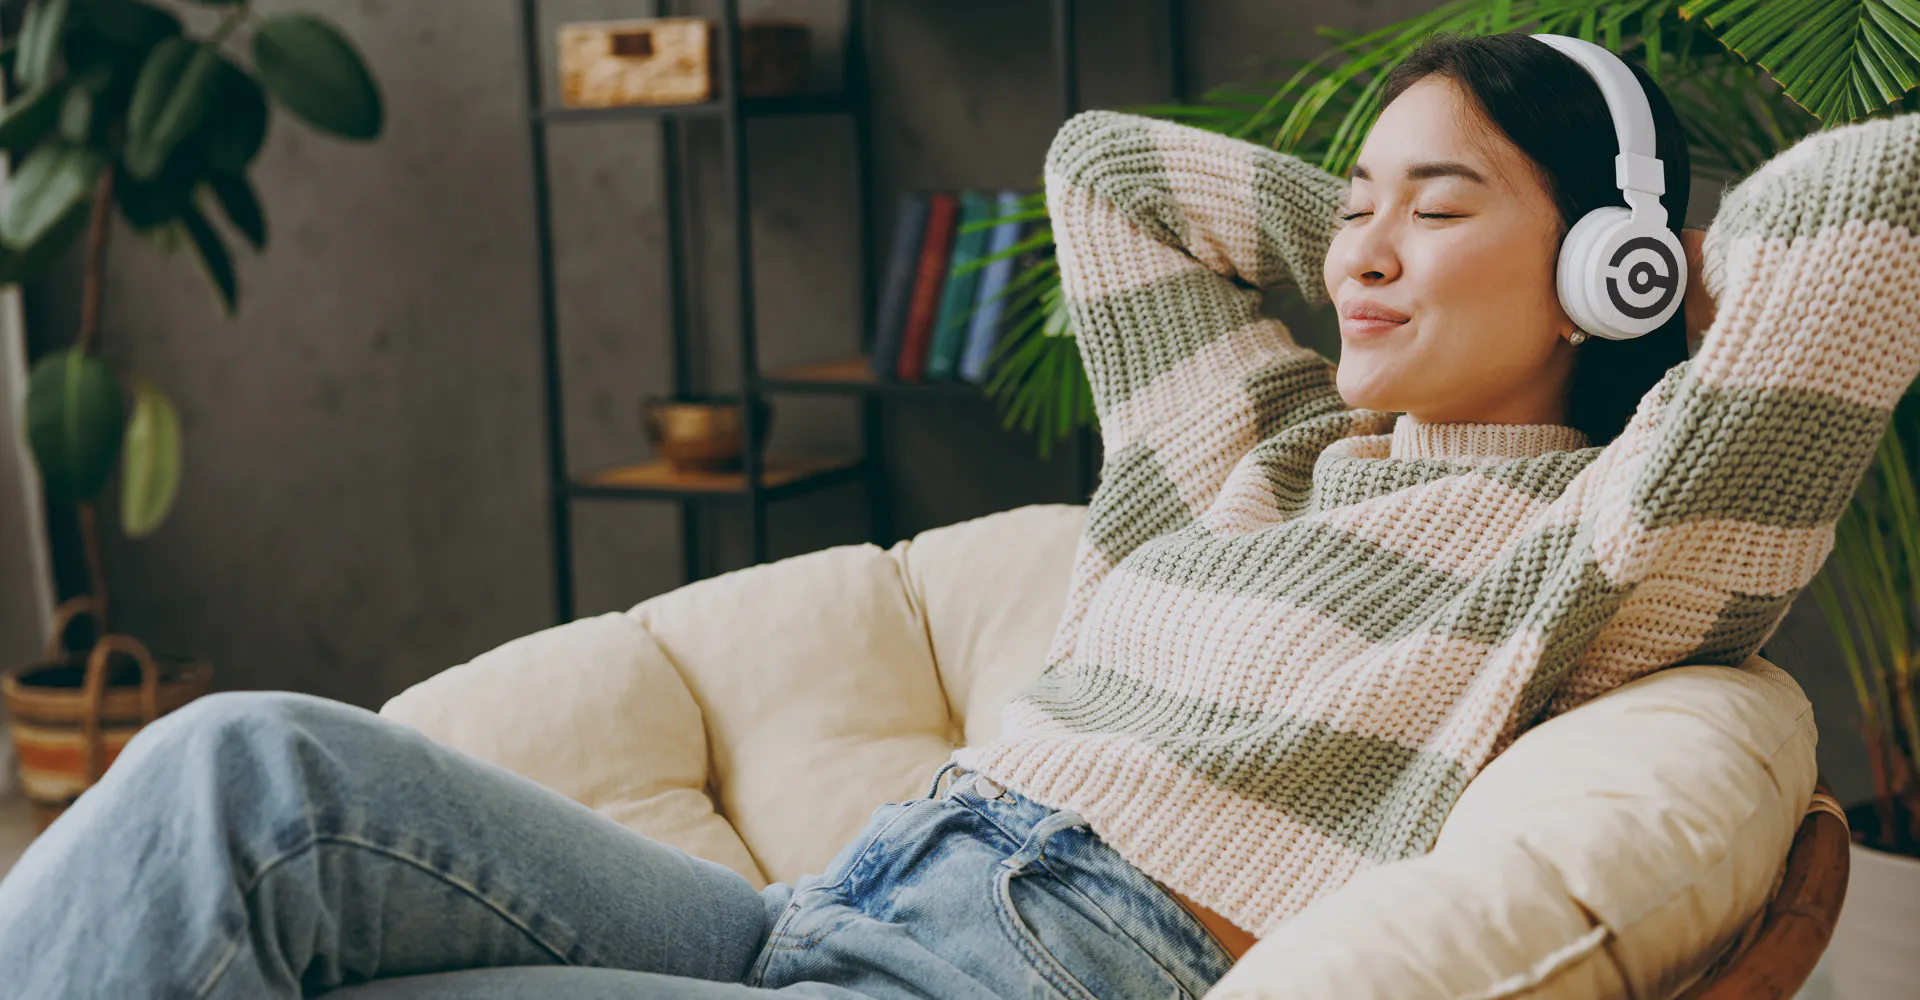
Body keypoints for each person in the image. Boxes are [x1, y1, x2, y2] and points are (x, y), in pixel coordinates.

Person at [4, 30, 1918, 1000]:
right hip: (830, 902)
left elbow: (1876, 207)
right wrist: (1381, 235)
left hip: (1025, 966)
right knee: (241, 776)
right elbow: (1111, 174)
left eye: (1437, 207)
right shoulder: (1251, 458)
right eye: (1351, 209)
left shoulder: (1604, 540)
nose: (1359, 253)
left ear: (1608, 269)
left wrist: (1657, 278)